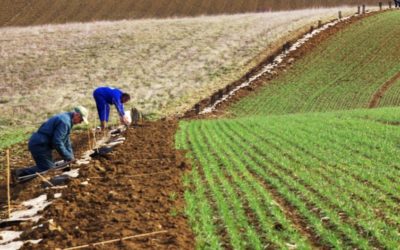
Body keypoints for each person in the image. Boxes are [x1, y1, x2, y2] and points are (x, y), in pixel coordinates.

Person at [12, 106, 89, 180]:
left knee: (47, 166)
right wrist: (67, 157)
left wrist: (70, 156)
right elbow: (57, 142)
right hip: (39, 144)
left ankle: (21, 173)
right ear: (77, 115)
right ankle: (19, 173)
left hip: (42, 143)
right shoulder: (65, 122)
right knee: (48, 169)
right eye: (81, 120)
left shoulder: (67, 119)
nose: (80, 122)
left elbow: (66, 140)